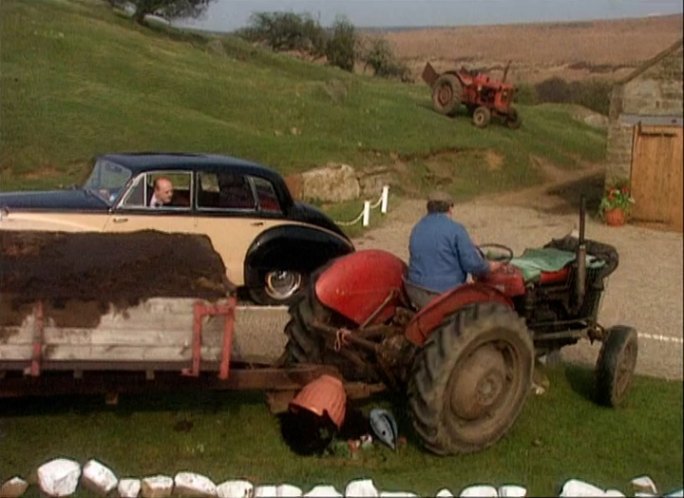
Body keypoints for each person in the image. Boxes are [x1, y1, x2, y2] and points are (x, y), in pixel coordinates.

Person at [405, 190, 503, 309]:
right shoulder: (456, 230)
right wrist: (490, 266)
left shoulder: (417, 228)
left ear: (428, 208)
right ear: (450, 208)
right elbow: (472, 264)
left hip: (416, 291)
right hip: (443, 293)